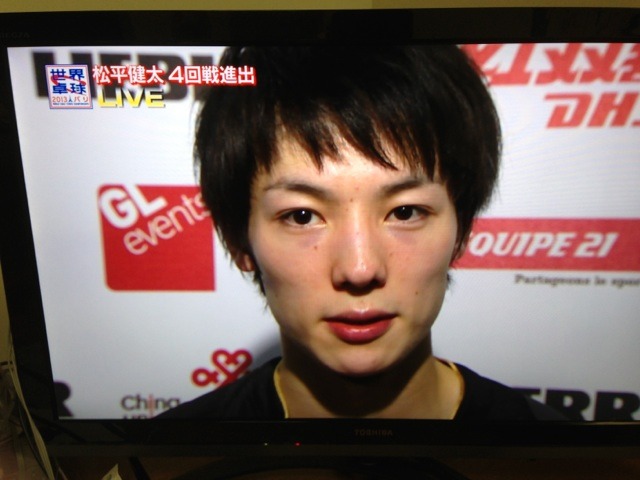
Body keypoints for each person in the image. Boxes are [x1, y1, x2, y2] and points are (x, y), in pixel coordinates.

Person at [162, 45, 562, 420]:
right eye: (302, 216)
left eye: (405, 212)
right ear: (238, 240)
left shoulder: (560, 452)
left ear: (462, 228)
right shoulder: (173, 454)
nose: (360, 268)